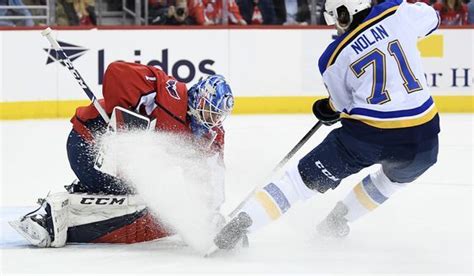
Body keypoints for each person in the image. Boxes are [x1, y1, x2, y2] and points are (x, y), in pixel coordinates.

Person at [212, 0, 440, 250]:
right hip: (423, 138)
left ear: (344, 13)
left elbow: (342, 106)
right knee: (393, 180)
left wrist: (327, 108)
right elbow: (432, 17)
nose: (338, 26)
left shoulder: (333, 57)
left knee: (298, 182)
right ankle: (336, 221)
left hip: (367, 137)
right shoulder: (397, 11)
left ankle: (242, 225)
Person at [10, 61, 234, 248]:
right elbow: (117, 72)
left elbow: (208, 175)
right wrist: (126, 123)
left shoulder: (210, 136)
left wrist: (210, 217)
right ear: (198, 99)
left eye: (217, 117)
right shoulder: (169, 94)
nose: (210, 121)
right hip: (87, 145)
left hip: (116, 165)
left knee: (158, 216)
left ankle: (74, 208)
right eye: (208, 112)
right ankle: (53, 216)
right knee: (141, 208)